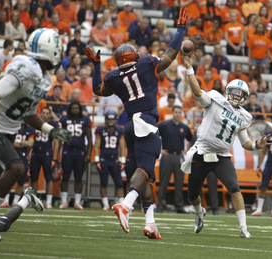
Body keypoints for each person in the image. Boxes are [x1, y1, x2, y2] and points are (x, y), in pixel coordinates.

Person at [83, 8, 190, 239]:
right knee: (145, 169)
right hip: (146, 122)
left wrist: (97, 66)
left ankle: (150, 222)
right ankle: (126, 204)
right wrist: (181, 29)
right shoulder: (147, 63)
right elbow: (171, 53)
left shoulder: (113, 77)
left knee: (148, 175)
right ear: (134, 55)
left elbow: (97, 90)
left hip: (130, 125)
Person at [0, 28, 72, 241]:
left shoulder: (45, 78)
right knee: (17, 167)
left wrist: (52, 130)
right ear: (52, 50)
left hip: (5, 133)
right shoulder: (26, 66)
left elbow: (29, 115)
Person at [180, 54, 271, 238]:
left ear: (245, 97)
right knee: (192, 195)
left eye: (240, 94)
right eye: (234, 92)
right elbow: (197, 91)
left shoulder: (244, 116)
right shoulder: (215, 100)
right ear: (228, 91)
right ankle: (199, 213)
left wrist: (256, 145)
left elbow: (245, 142)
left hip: (222, 155)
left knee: (234, 187)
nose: (236, 96)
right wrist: (190, 68)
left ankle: (243, 228)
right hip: (202, 152)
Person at [53, 101, 92, 209]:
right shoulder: (64, 119)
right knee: (65, 177)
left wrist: (89, 154)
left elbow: (89, 138)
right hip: (67, 151)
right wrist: (57, 154)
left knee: (78, 177)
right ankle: (64, 201)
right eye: (73, 108)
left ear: (80, 109)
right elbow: (60, 137)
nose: (75, 110)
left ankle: (77, 202)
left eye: (77, 108)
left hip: (80, 151)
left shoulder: (85, 119)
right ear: (70, 109)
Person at [156, 105, 192, 213]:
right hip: (167, 156)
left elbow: (191, 139)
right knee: (163, 182)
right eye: (176, 112)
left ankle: (179, 206)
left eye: (179, 112)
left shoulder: (184, 127)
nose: (177, 114)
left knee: (179, 182)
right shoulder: (165, 125)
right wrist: (159, 150)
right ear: (172, 113)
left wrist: (187, 150)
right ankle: (161, 206)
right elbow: (155, 136)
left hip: (179, 157)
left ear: (181, 114)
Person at [94, 111, 126, 210]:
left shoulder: (120, 130)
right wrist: (97, 160)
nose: (111, 121)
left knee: (119, 183)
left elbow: (122, 147)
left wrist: (122, 161)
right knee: (103, 183)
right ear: (106, 120)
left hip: (114, 160)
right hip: (104, 159)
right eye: (109, 119)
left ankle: (122, 203)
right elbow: (96, 147)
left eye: (112, 119)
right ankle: (105, 204)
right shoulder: (100, 129)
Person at [30, 107, 59, 209]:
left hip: (47, 153)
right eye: (43, 113)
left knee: (48, 177)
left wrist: (54, 158)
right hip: (35, 152)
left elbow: (56, 142)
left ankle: (49, 202)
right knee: (34, 177)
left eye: (47, 113)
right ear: (40, 113)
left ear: (50, 115)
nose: (45, 115)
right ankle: (34, 200)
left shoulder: (53, 125)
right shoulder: (35, 123)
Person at [1, 122, 34, 207]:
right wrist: (23, 144)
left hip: (23, 156)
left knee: (21, 180)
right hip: (11, 155)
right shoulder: (12, 127)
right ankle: (6, 200)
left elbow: (30, 143)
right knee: (8, 178)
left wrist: (18, 141)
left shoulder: (30, 129)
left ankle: (15, 201)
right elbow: (10, 143)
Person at [252, 119, 272, 217]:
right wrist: (259, 166)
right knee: (264, 185)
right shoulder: (269, 135)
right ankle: (259, 209)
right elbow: (263, 151)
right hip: (270, 164)